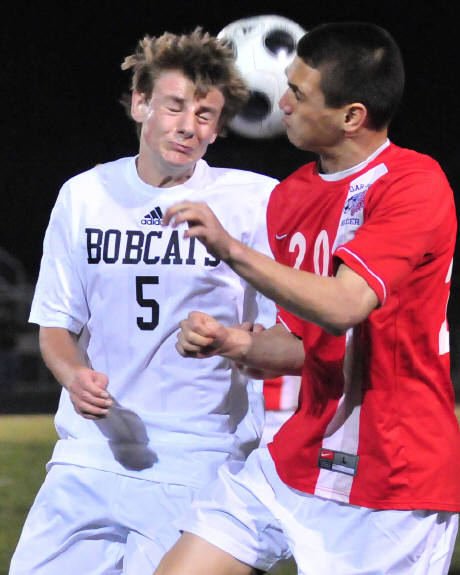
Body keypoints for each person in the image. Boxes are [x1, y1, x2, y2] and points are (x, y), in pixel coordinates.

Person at [154, 21, 460, 575]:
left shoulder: (414, 184)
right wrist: (233, 342)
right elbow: (304, 343)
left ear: (352, 117)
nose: (283, 105)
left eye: (298, 92)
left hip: (390, 480)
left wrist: (230, 248)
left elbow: (344, 307)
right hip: (295, 456)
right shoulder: (292, 197)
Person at [9, 28, 281, 575]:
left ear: (219, 129)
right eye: (174, 106)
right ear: (140, 104)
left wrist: (233, 341)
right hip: (89, 452)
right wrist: (72, 376)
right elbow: (57, 324)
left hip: (199, 456)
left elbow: (286, 333)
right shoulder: (84, 195)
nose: (187, 126)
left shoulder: (255, 201)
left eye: (204, 114)